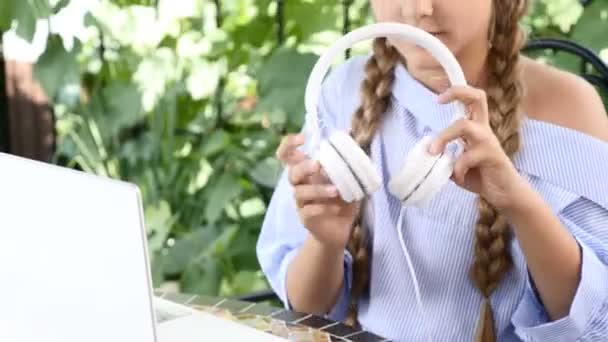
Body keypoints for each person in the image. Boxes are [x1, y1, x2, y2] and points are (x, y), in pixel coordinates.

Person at [256, 1, 608, 341]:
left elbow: (598, 324)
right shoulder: (341, 93)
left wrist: (518, 203)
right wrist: (325, 242)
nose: (418, 9)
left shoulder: (571, 108)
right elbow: (307, 311)